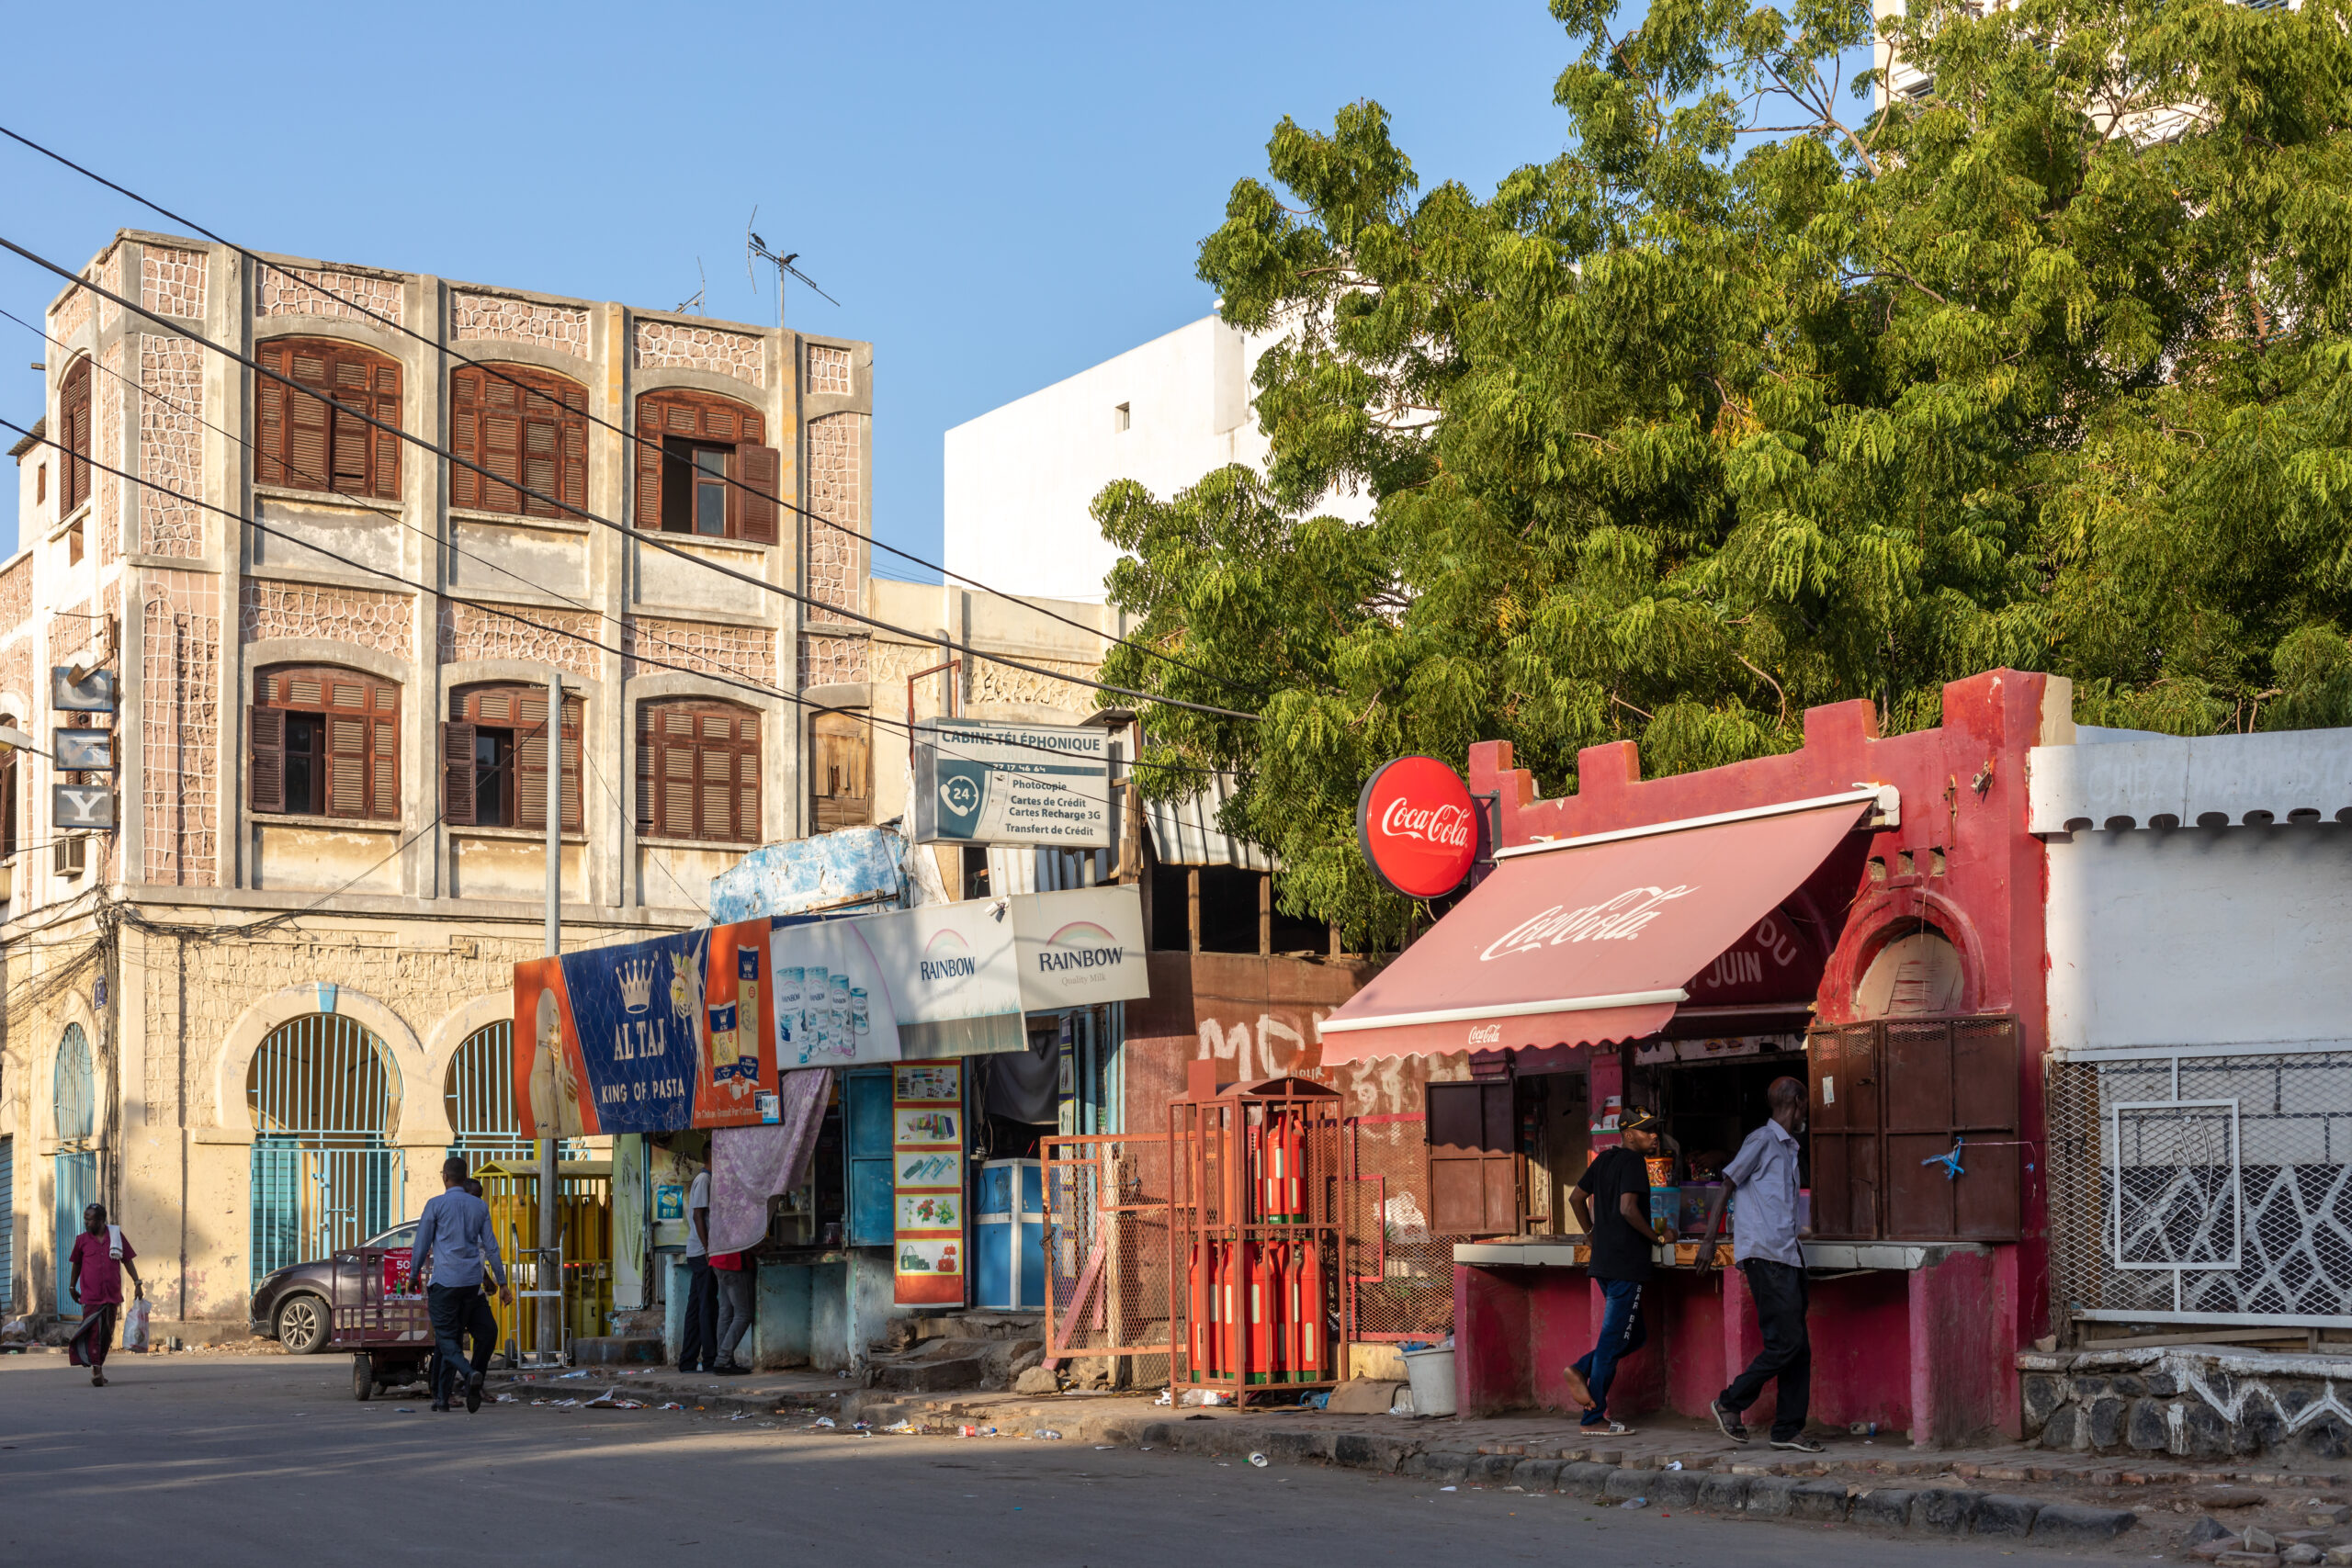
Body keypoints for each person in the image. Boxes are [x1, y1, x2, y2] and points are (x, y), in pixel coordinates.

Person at [1697, 1076, 1822, 1453]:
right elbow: (1728, 1182)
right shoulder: (1762, 1140)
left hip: (1786, 1254)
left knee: (1798, 1348)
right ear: (1797, 1101)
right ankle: (1730, 1402)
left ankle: (1787, 1429)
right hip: (1765, 1256)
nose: (1807, 1112)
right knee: (1786, 1344)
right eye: (1806, 1104)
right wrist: (1708, 1240)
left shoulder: (1788, 1148)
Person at [1563, 1109, 1674, 1436]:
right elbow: (1628, 1208)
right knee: (1612, 1343)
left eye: (1655, 1130)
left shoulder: (1604, 1160)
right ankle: (1592, 1419)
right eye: (1646, 1131)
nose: (1653, 1135)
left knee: (1634, 1335)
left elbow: (1576, 1197)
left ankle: (1580, 1369)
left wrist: (1591, 1233)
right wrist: (1656, 1237)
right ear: (1628, 1135)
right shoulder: (1633, 1163)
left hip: (1603, 1264)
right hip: (1627, 1265)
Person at [408, 1156, 511, 1414]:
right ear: (465, 1179)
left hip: (446, 1283)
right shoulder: (479, 1207)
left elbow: (421, 1245)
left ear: (444, 1176)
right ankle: (441, 1399)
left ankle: (469, 1373)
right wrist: (503, 1282)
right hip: (470, 1284)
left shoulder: (435, 1205)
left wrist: (412, 1276)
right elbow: (492, 1247)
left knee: (447, 1340)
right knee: (458, 1338)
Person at [66, 1203, 142, 1387]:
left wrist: (137, 1283)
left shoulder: (116, 1236)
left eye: (89, 1219)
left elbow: (128, 1260)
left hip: (111, 1294)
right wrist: (71, 1286)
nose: (86, 1222)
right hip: (91, 1296)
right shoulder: (81, 1240)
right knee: (93, 1332)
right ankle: (96, 1369)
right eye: (85, 1218)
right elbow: (76, 1264)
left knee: (106, 1334)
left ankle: (98, 1364)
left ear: (101, 1220)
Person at [676, 1164, 717, 1374]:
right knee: (707, 1307)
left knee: (695, 1308)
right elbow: (698, 1216)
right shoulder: (704, 1180)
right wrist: (708, 1249)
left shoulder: (705, 1180)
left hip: (699, 1251)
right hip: (702, 1253)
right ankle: (710, 1359)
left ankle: (688, 1361)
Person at [710, 1248, 752, 1373]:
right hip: (735, 1262)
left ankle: (723, 1360)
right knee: (744, 1315)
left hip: (718, 1259)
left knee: (726, 1313)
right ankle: (723, 1359)